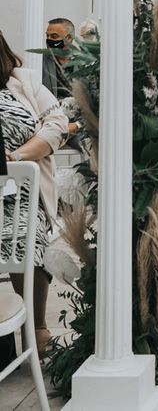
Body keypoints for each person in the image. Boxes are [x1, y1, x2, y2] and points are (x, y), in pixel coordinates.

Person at [0, 30, 68, 357]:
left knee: (24, 234)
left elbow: (57, 125)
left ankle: (37, 325)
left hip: (23, 190)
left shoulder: (24, 81)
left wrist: (15, 158)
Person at [41, 18, 82, 143]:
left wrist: (78, 125)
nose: (49, 41)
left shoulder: (86, 60)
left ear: (69, 38)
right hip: (52, 122)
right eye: (47, 36)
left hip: (81, 124)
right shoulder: (38, 61)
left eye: (54, 36)